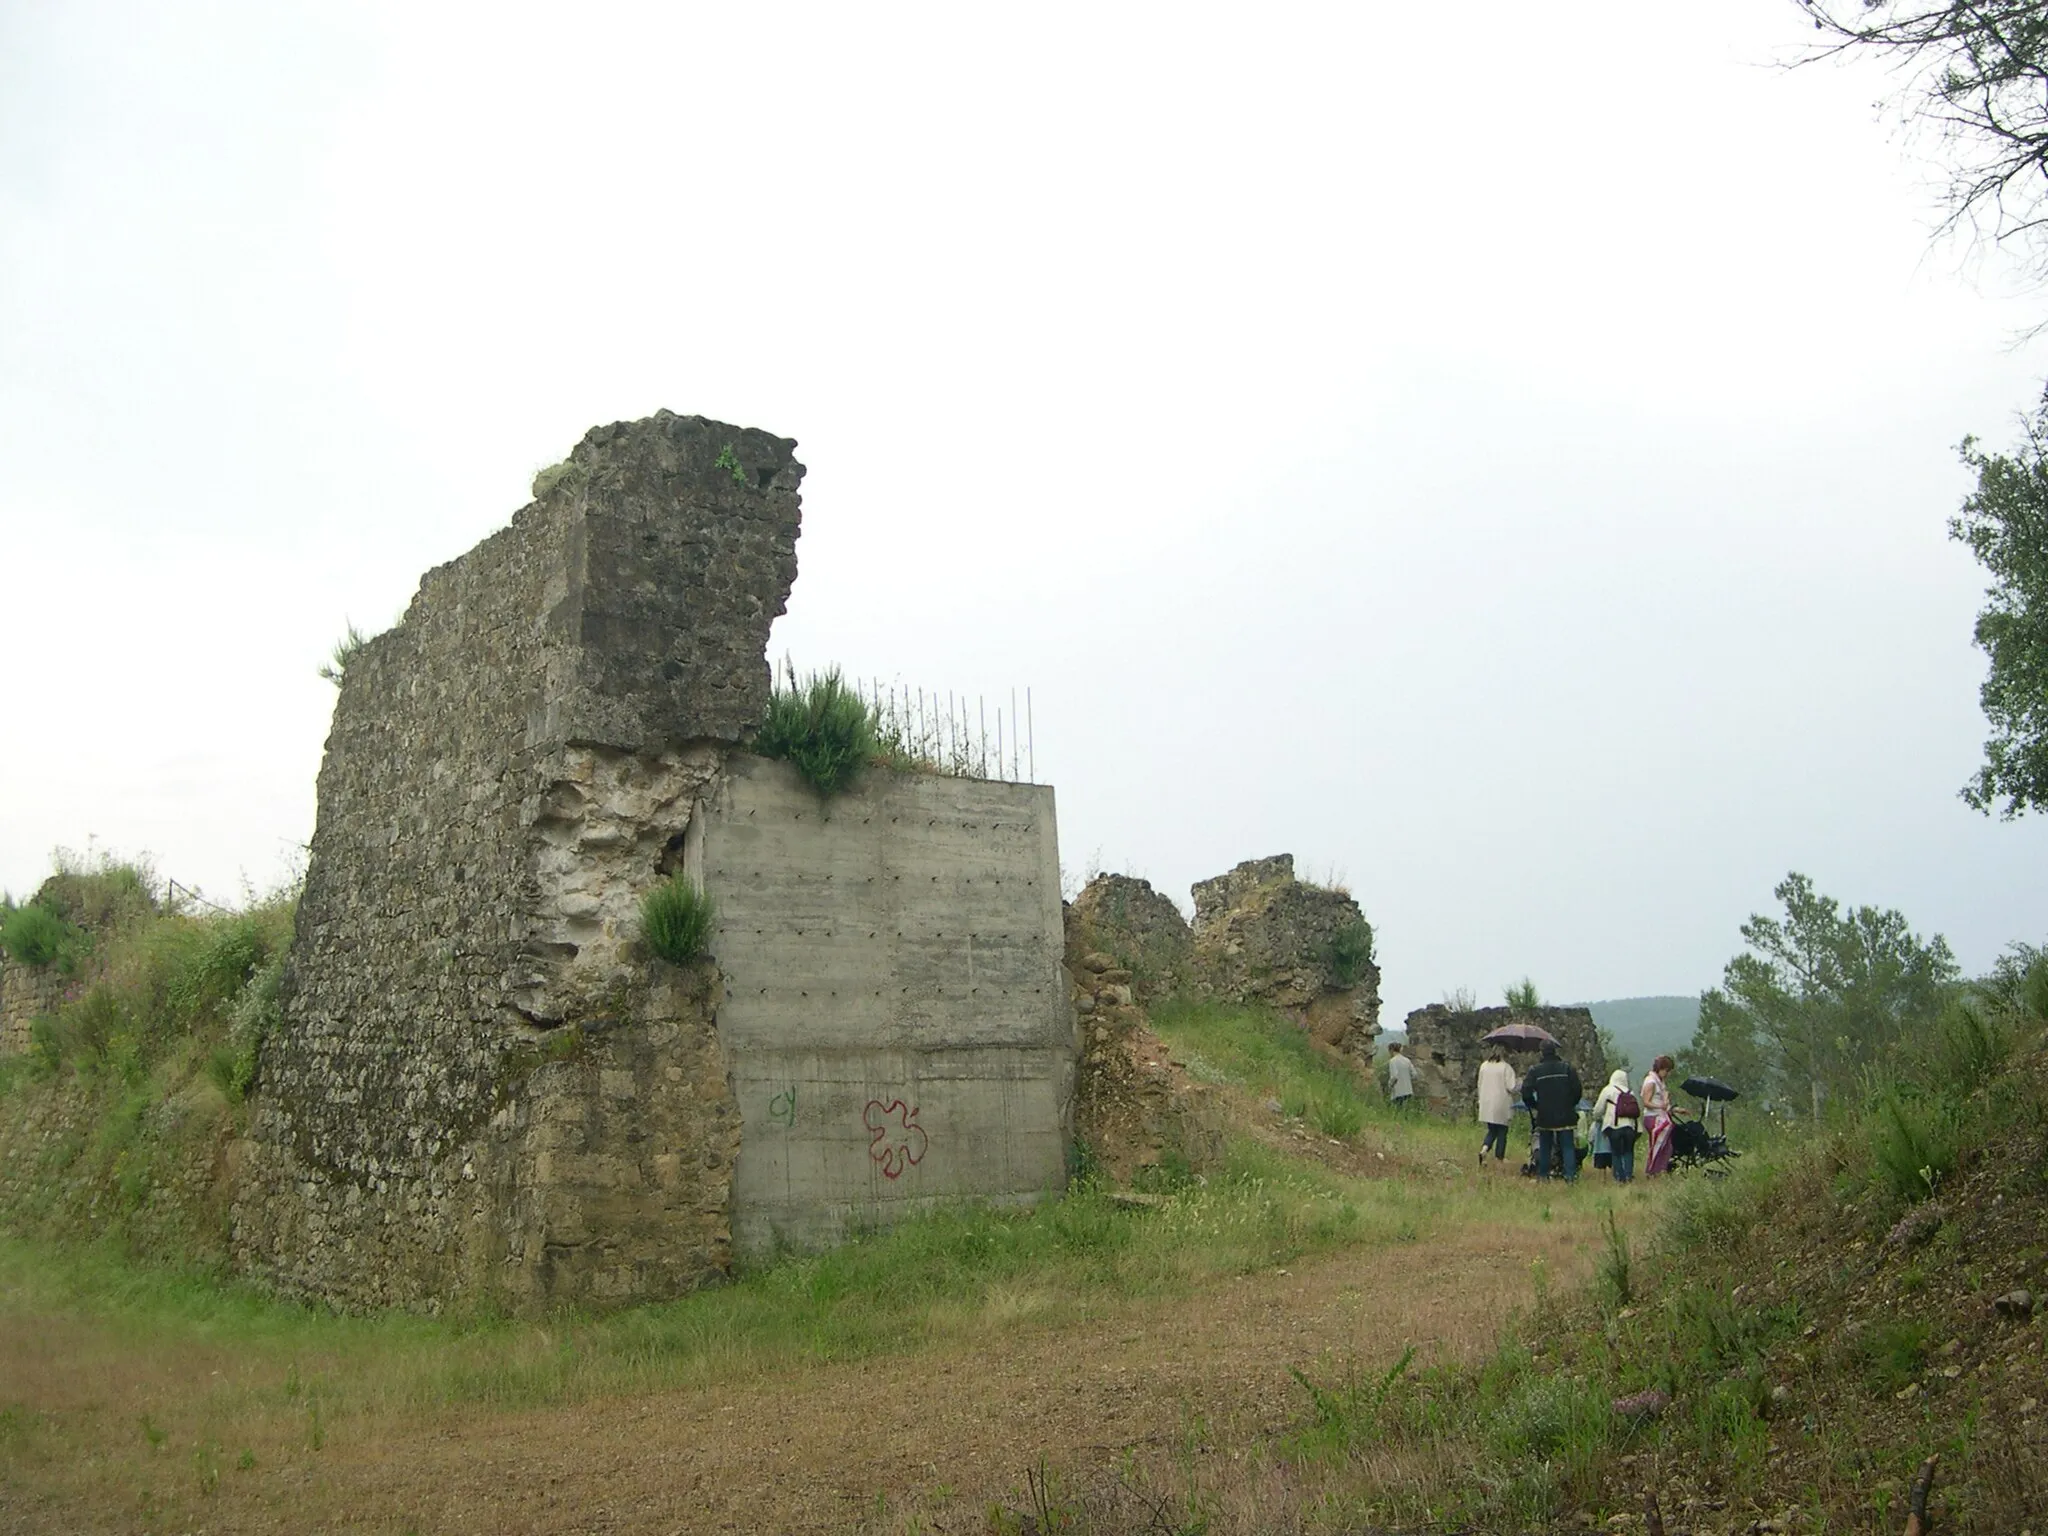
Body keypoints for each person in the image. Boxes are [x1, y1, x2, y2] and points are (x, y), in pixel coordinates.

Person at [1520, 1040, 1583, 1181]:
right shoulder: (1567, 1069)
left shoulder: (1535, 1071)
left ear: (1541, 1052)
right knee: (1567, 1145)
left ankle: (1543, 1175)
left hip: (1545, 1114)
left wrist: (1535, 1105)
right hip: (1566, 1113)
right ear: (1555, 1051)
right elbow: (1578, 1090)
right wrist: (1570, 1104)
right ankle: (1570, 1176)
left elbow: (1525, 1092)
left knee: (1545, 1146)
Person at [1592, 1067, 1641, 1184]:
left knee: (1616, 1152)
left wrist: (1597, 1118)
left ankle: (1619, 1178)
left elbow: (1598, 1110)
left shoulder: (1608, 1090)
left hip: (1614, 1126)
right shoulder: (1630, 1092)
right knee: (1628, 1151)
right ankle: (1629, 1176)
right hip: (1630, 1127)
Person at [1476, 1046, 1518, 1164]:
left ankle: (1485, 1148)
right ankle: (1499, 1156)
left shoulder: (1484, 1066)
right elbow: (1511, 1087)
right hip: (1501, 1102)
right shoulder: (1506, 1067)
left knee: (1492, 1130)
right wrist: (1519, 1082)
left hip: (1487, 1102)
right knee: (1502, 1131)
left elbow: (1479, 1083)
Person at [1641, 1054, 1676, 1177]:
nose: (1667, 1074)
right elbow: (1646, 1102)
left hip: (1660, 1116)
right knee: (1657, 1145)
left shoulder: (1660, 1082)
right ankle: (1652, 1171)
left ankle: (1658, 1170)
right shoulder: (1651, 1082)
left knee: (1666, 1146)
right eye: (1666, 1070)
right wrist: (1660, 1106)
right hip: (1653, 1117)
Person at [1385, 1042, 1416, 1110]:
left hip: (1398, 1091)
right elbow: (1414, 1074)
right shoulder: (1407, 1060)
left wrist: (1390, 1085)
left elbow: (1394, 1076)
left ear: (1391, 1050)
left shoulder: (1393, 1061)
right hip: (1408, 1090)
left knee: (1398, 1110)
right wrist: (1407, 1079)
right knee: (1406, 1110)